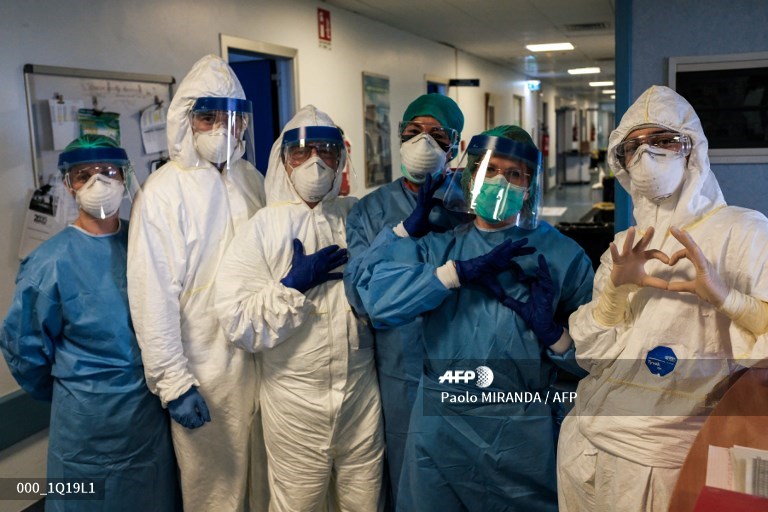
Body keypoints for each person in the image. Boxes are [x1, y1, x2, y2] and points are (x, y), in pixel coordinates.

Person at [349, 125, 594, 511]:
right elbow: (375, 301)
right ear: (469, 176)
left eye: (515, 174)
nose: (501, 182)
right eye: (490, 170)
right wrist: (453, 273)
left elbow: (598, 358)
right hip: (441, 428)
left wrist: (556, 337)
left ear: (530, 186)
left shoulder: (562, 256)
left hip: (522, 434)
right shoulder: (441, 246)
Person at [558, 85, 768, 512]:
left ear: (693, 149)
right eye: (633, 147)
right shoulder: (625, 243)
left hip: (662, 462)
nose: (646, 156)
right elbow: (591, 355)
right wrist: (616, 292)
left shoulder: (745, 232)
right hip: (585, 442)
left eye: (663, 141)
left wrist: (726, 297)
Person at [214, 105, 384, 512]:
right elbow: (237, 321)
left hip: (361, 394)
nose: (315, 163)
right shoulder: (262, 228)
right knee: (298, 504)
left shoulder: (355, 217)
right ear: (283, 161)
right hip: (295, 400)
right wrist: (292, 288)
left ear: (341, 158)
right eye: (302, 152)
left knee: (365, 501)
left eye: (326, 151)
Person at [0, 135, 181, 512]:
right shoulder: (50, 263)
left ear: (125, 177)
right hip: (84, 425)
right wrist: (75, 392)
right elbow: (23, 348)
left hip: (146, 419)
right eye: (84, 175)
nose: (99, 183)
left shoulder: (146, 243)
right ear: (69, 184)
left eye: (109, 172)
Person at [127, 55, 267, 512]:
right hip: (204, 370)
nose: (221, 128)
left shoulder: (252, 180)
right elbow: (153, 298)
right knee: (214, 491)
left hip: (263, 359)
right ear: (186, 120)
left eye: (231, 117)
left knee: (262, 484)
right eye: (208, 117)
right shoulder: (163, 193)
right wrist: (175, 384)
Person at [344, 93, 471, 507]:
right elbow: (362, 297)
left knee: (468, 474)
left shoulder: (474, 204)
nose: (424, 143)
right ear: (398, 138)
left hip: (468, 364)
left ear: (458, 145)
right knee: (408, 477)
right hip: (402, 370)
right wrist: (401, 233)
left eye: (437, 134)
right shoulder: (371, 210)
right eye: (414, 132)